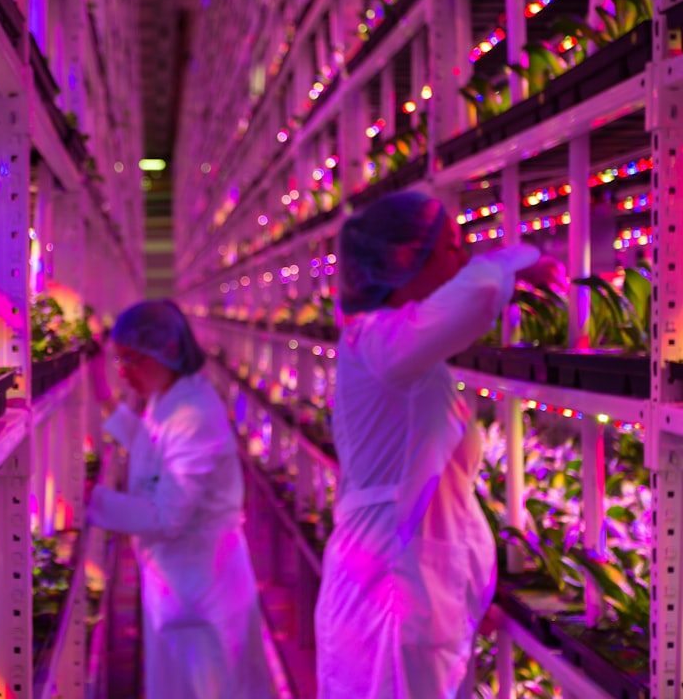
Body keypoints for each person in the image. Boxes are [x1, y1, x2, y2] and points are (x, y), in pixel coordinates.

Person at [314, 191, 565, 698]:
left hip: (403, 594)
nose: (462, 257)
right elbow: (468, 299)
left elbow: (438, 494)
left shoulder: (401, 358)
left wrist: (472, 593)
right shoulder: (381, 344)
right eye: (452, 245)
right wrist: (518, 260)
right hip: (389, 598)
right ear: (405, 260)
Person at [87, 299, 273, 699]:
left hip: (201, 592)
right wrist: (104, 398)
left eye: (132, 360)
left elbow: (166, 516)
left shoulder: (194, 414)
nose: (124, 373)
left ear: (167, 350)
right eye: (118, 362)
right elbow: (151, 449)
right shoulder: (169, 396)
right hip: (182, 583)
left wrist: (91, 499)